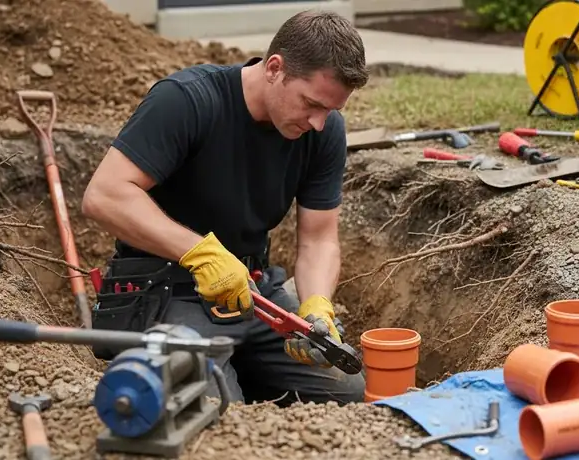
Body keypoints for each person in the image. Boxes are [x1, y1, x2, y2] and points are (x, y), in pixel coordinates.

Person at [80, 9, 369, 406]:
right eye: (311, 104)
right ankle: (222, 380)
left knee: (345, 392)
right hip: (165, 289)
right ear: (275, 68)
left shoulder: (323, 131)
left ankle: (240, 371)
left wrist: (316, 306)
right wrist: (201, 254)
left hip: (252, 290)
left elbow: (319, 239)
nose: (318, 122)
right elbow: (104, 195)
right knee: (217, 413)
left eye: (330, 111)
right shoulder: (187, 100)